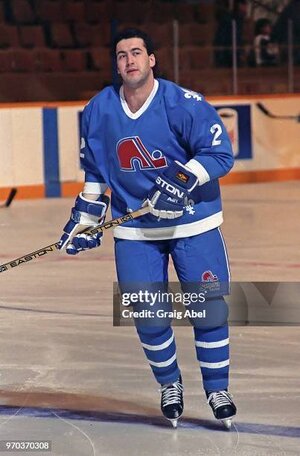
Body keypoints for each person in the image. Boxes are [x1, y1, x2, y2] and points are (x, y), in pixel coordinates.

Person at [59, 27, 237, 429]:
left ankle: (217, 388)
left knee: (208, 310)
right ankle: (170, 384)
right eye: (121, 55)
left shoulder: (184, 103)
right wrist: (85, 220)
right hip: (136, 230)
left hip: (194, 223)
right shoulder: (98, 109)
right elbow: (95, 171)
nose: (130, 61)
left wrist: (184, 180)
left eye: (137, 53)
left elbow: (220, 154)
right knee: (149, 315)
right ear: (116, 64)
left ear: (152, 59)